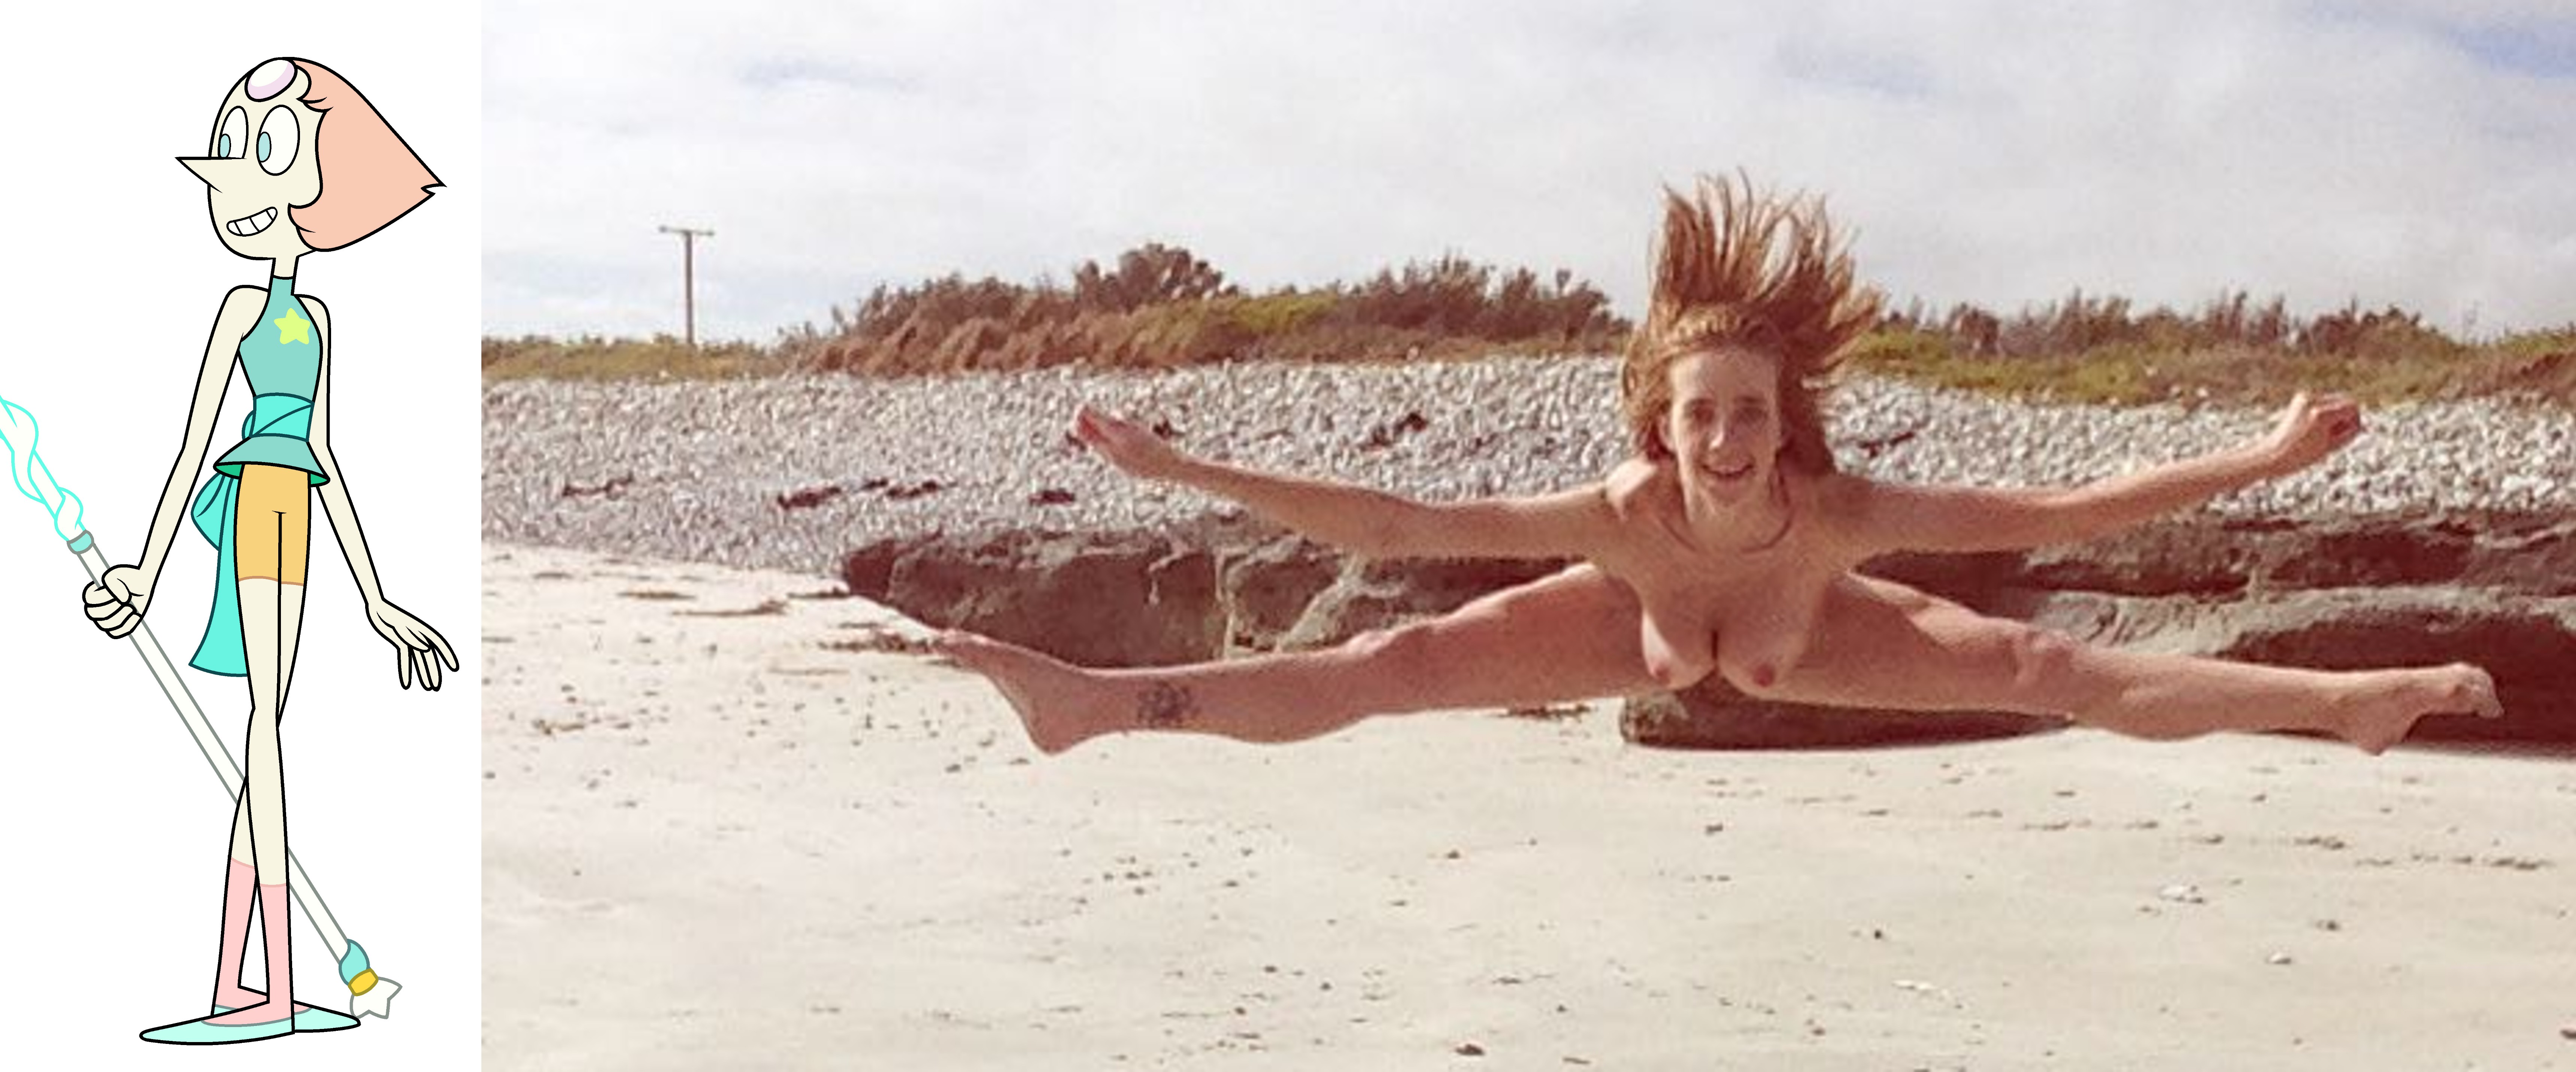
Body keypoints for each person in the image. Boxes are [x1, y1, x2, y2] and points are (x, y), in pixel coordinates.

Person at [936, 173, 2501, 758]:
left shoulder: (1840, 512)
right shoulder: (1625, 515)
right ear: (1662, 426)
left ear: (1782, 417)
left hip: (1815, 632)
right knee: (1388, 661)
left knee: (2049, 664)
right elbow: (1393, 519)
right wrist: (1184, 465)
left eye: (1751, 413)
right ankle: (1093, 705)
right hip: (1637, 621)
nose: (1729, 440)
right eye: (1702, 418)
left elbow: (2070, 508)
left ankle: (2347, 706)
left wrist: (2266, 452)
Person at [81, 57, 458, 1046]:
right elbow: (196, 440)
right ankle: (272, 984)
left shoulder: (318, 319)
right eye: (235, 153)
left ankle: (241, 984)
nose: (236, 183)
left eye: (265, 150)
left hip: (298, 508)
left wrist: (377, 599)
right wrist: (145, 569)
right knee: (263, 729)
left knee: (267, 733)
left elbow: (326, 451)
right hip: (254, 504)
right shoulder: (241, 310)